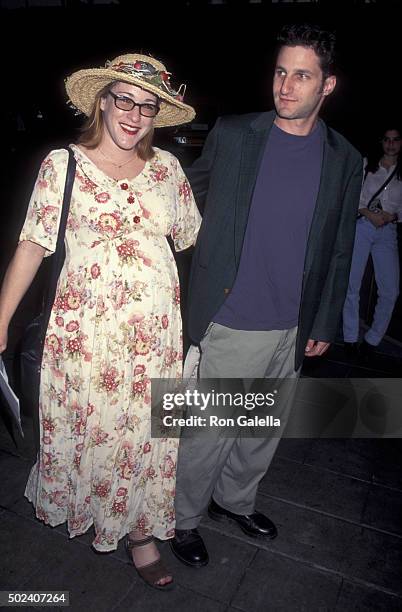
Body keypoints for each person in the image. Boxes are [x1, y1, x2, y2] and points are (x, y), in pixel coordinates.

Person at [0, 53, 201, 589]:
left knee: (148, 437)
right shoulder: (62, 164)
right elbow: (32, 245)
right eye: (124, 100)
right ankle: (96, 514)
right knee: (99, 429)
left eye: (148, 106)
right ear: (102, 102)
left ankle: (141, 534)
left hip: (156, 336)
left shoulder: (169, 171)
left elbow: (191, 240)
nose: (135, 115)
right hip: (89, 336)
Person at [170, 23, 363, 568]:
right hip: (232, 316)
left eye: (302, 75)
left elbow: (340, 248)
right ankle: (182, 519)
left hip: (292, 324)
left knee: (260, 430)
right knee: (209, 432)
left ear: (327, 85)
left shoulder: (344, 158)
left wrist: (324, 323)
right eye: (281, 71)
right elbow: (185, 195)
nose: (286, 85)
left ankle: (235, 501)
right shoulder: (236, 134)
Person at [343, 127, 402, 356]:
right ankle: (349, 337)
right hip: (363, 227)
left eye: (396, 139)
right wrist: (368, 213)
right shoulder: (367, 165)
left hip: (387, 231)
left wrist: (392, 215)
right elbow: (352, 196)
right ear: (381, 142)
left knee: (390, 290)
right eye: (387, 139)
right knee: (352, 283)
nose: (391, 144)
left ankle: (373, 339)